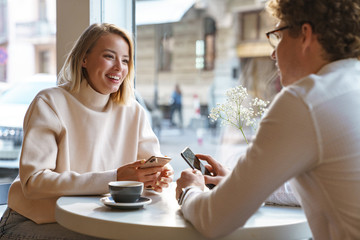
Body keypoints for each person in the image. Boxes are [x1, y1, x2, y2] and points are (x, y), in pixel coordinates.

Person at [176, 0, 360, 239]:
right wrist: (238, 182)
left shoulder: (304, 101)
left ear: (305, 35)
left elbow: (214, 219)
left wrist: (189, 191)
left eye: (278, 36)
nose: (273, 53)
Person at [0, 23, 173, 239]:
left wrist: (157, 178)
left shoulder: (133, 111)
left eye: (126, 60)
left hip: (98, 219)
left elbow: (148, 169)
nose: (120, 67)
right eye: (110, 56)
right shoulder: (50, 102)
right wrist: (115, 177)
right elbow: (34, 183)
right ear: (84, 59)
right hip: (35, 220)